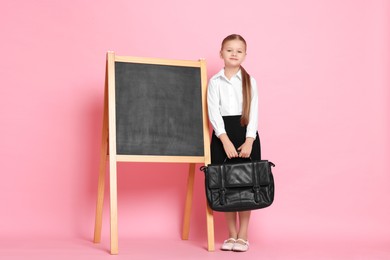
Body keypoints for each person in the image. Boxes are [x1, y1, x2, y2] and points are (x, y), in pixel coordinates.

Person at [207, 34, 261, 252]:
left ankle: (243, 235)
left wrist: (249, 140)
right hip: (222, 137)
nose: (234, 54)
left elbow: (254, 112)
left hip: (246, 133)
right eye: (229, 50)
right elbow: (213, 112)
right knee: (226, 186)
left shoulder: (250, 81)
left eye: (239, 51)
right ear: (221, 53)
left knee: (246, 185)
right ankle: (230, 235)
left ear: (245, 55)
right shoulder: (214, 82)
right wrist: (224, 140)